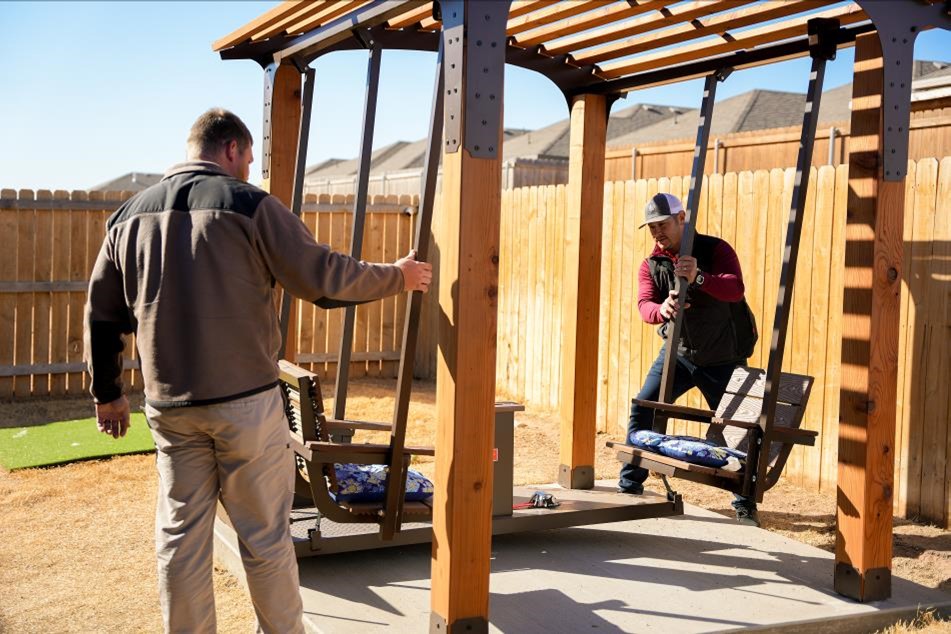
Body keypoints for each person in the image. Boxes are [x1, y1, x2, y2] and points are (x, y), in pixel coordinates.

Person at [84, 108, 432, 633]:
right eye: (247, 157)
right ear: (230, 149)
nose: (248, 168)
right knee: (265, 538)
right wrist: (397, 276)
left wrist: (106, 394)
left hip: (171, 410)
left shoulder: (127, 217)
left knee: (180, 540)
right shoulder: (248, 205)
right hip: (245, 404)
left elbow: (101, 315)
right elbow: (323, 277)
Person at [617, 192, 759, 527]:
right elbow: (644, 305)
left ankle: (744, 503)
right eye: (651, 227)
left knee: (738, 426)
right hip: (677, 354)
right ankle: (630, 483)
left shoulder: (715, 250)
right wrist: (661, 311)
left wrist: (699, 278)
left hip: (723, 355)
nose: (656, 232)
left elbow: (734, 289)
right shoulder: (651, 264)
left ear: (682, 219)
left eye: (662, 224)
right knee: (645, 405)